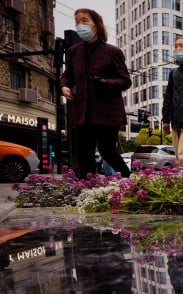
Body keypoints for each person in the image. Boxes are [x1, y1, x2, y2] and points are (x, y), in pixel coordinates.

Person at [60, 8, 132, 178]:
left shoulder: (112, 52)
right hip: (83, 111)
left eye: (85, 21)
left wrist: (105, 82)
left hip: (107, 111)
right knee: (84, 153)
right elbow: (67, 75)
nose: (80, 25)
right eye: (77, 21)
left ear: (97, 25)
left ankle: (128, 178)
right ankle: (88, 187)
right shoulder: (73, 52)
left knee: (107, 151)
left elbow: (125, 80)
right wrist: (64, 86)